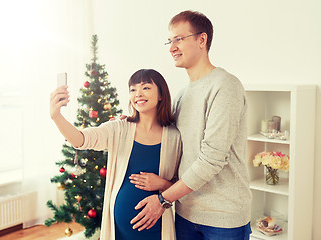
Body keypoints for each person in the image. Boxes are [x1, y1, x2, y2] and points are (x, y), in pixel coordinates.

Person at [129, 10, 253, 240]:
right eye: (170, 41)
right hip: (186, 213)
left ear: (201, 40)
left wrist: (163, 198)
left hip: (222, 218)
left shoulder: (225, 86)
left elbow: (211, 159)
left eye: (178, 39)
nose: (171, 47)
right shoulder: (181, 95)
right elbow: (174, 146)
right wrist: (129, 121)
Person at [49, 69, 182, 240]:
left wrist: (162, 183)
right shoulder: (119, 128)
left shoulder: (174, 137)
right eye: (133, 89)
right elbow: (80, 140)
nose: (138, 94)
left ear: (161, 94)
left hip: (157, 228)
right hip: (119, 230)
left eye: (146, 88)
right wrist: (56, 116)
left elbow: (183, 187)